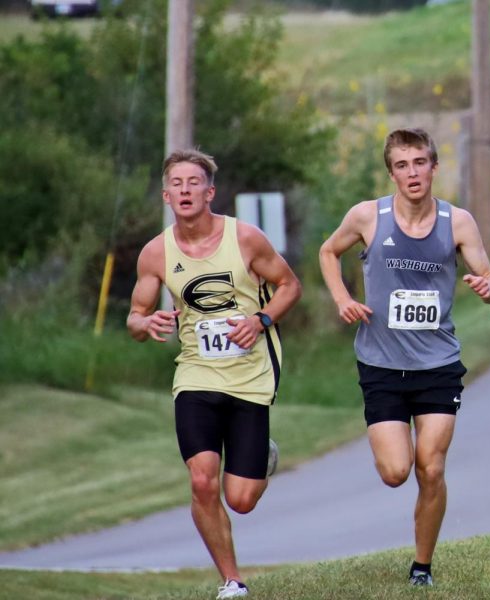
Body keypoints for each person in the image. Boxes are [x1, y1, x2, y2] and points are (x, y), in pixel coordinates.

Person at [318, 128, 490, 587]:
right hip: (380, 364)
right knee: (397, 472)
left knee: (431, 467)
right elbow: (328, 251)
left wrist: (487, 287)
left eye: (420, 162)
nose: (412, 173)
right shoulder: (367, 216)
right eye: (402, 165)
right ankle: (418, 550)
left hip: (438, 363)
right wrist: (342, 297)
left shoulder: (457, 222)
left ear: (434, 167)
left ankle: (422, 566)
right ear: (391, 172)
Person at [128, 149, 301, 599]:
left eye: (194, 183)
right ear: (167, 195)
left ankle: (261, 454)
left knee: (240, 499)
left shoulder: (245, 239)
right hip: (196, 376)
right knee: (202, 479)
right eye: (177, 184)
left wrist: (260, 320)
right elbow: (135, 316)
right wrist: (146, 325)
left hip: (250, 377)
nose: (185, 191)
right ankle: (232, 581)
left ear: (210, 192)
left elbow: (289, 285)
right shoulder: (155, 253)